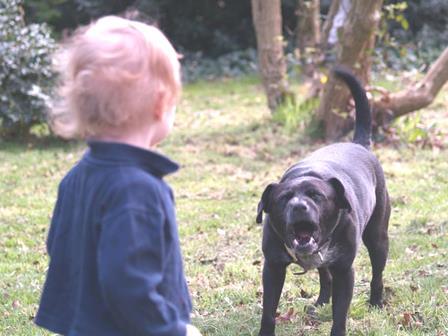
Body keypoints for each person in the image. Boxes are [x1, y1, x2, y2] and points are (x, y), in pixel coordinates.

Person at [35, 16, 202, 336]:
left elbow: (59, 246)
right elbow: (128, 285)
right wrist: (172, 330)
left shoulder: (77, 176)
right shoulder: (138, 190)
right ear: (160, 104)